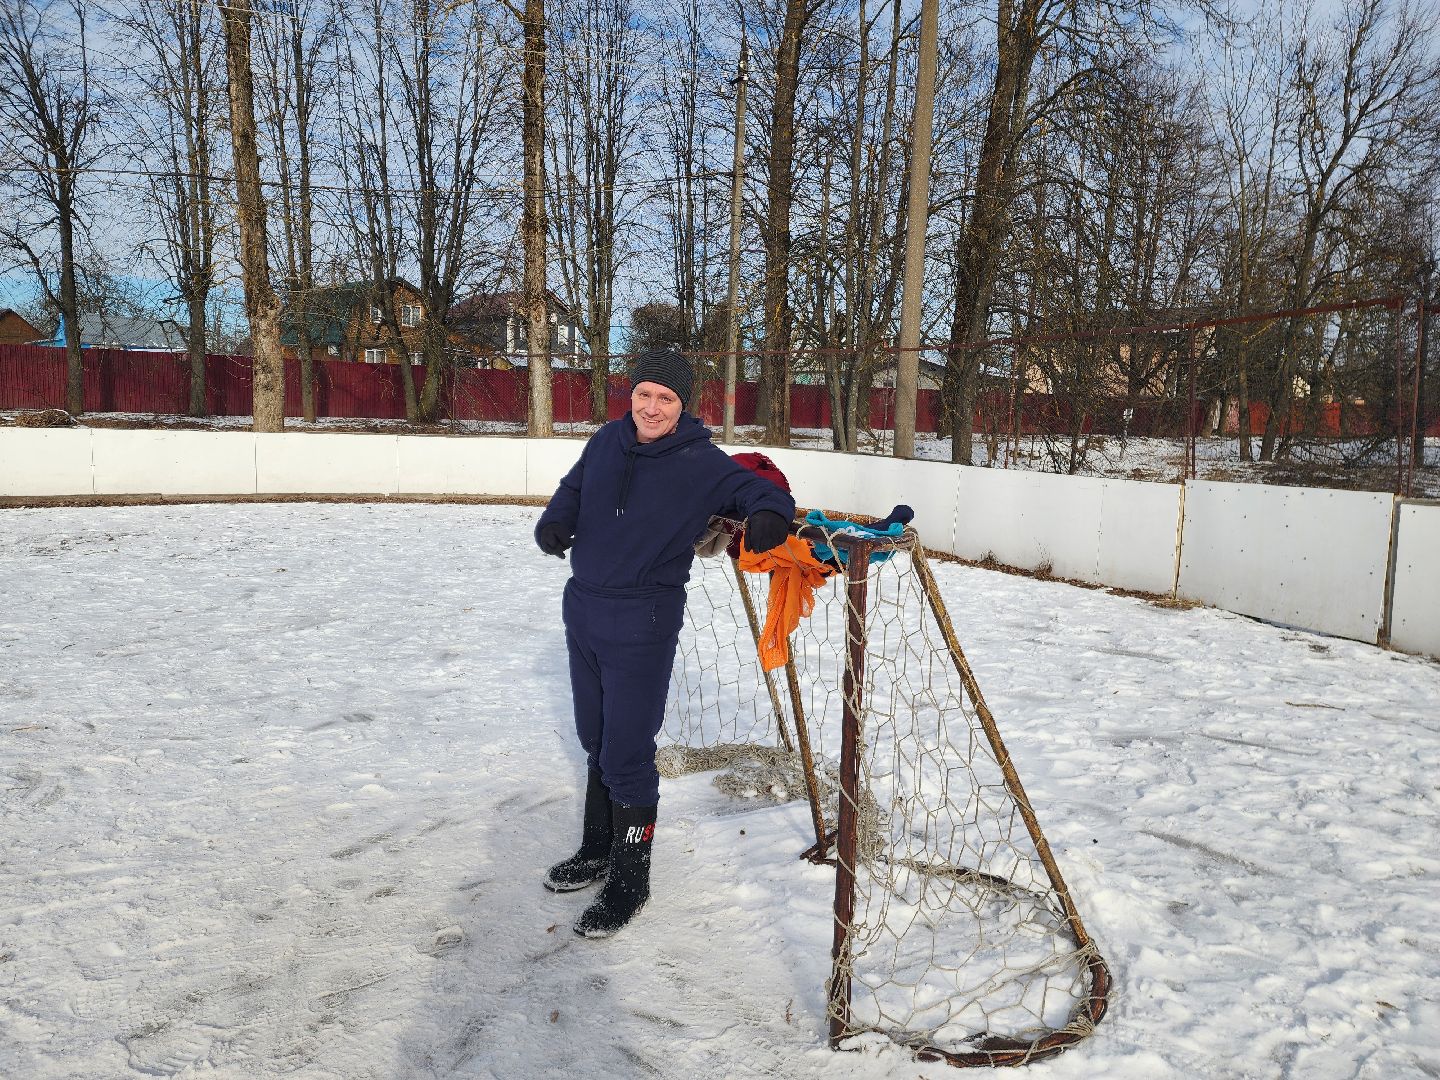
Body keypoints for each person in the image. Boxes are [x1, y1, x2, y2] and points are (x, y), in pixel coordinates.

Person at [534, 347, 796, 938]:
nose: (652, 408)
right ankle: (596, 850)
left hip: (642, 622)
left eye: (666, 398)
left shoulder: (699, 463)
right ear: (632, 394)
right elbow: (573, 488)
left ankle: (631, 879)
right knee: (595, 738)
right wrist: (554, 521)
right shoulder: (607, 440)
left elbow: (759, 491)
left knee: (627, 751)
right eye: (644, 394)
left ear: (684, 406)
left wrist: (771, 514)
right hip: (584, 609)